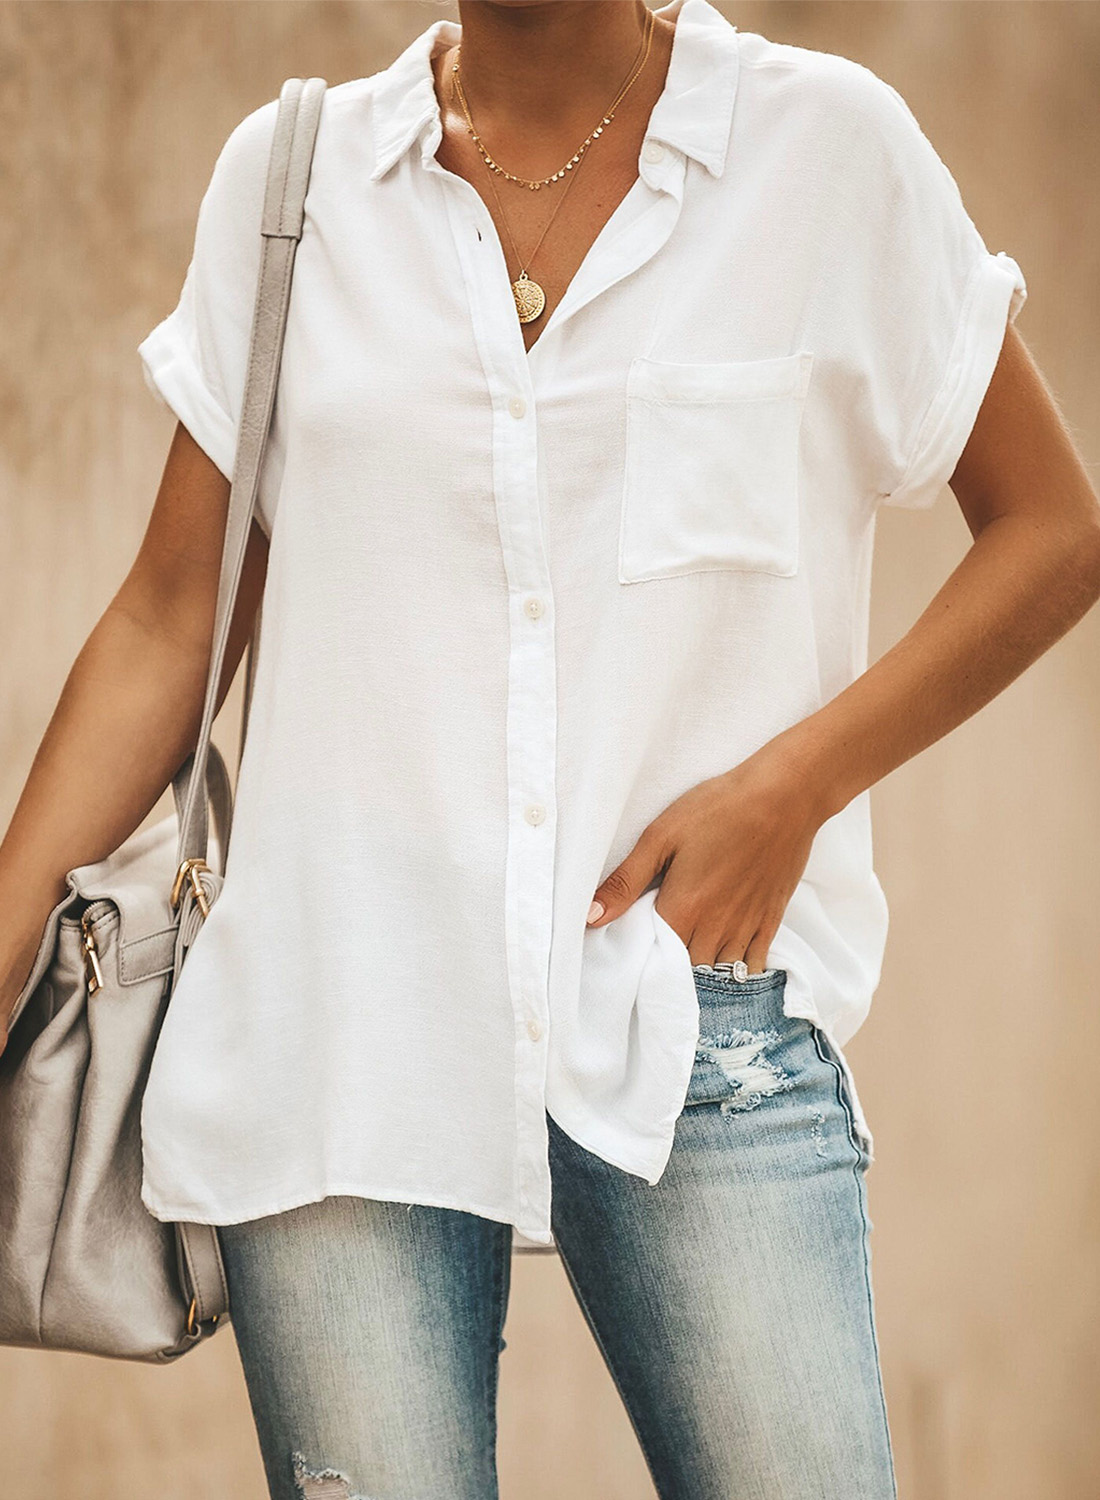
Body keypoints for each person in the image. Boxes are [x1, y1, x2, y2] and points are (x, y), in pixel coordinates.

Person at [2, 0, 1098, 1495]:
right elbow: (169, 618)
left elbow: (1053, 528)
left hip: (694, 1012)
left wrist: (793, 788)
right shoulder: (294, 184)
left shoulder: (825, 154)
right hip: (346, 1036)